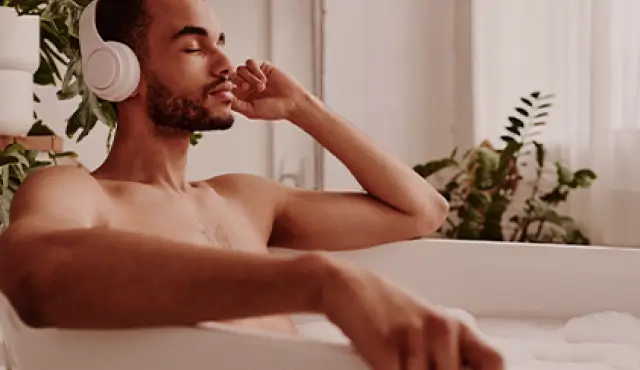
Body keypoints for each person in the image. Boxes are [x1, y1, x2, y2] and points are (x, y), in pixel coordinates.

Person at [0, 0, 504, 369]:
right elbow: (31, 271)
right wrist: (324, 281)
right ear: (117, 70)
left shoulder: (246, 198)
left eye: (222, 44)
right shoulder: (75, 191)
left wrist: (305, 108)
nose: (224, 65)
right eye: (195, 47)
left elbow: (422, 212)